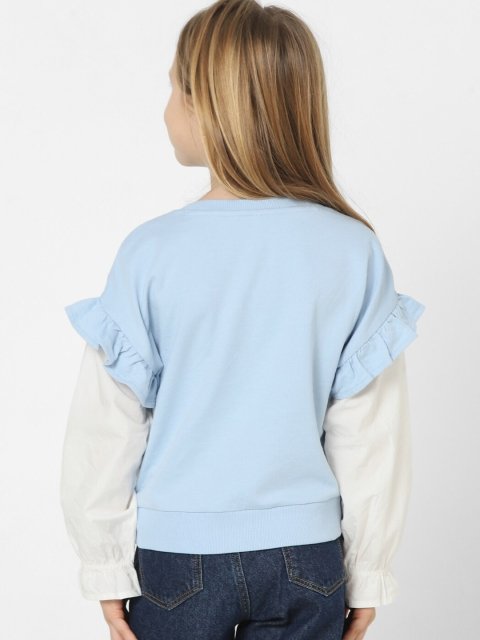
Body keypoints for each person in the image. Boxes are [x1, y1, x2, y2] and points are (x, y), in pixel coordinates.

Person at [59, 1, 426, 639]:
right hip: (307, 557)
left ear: (212, 105)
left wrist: (105, 564)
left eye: (175, 88)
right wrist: (368, 572)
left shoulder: (151, 252)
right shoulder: (352, 250)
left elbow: (107, 424)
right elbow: (371, 434)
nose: (166, 109)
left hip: (178, 561)